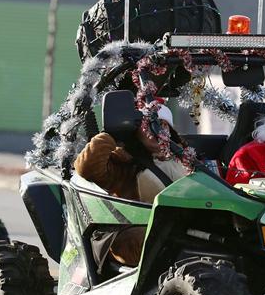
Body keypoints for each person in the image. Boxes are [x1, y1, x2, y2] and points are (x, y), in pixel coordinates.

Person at [73, 100, 186, 267]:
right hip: (136, 233)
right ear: (135, 130)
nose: (156, 130)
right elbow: (87, 168)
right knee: (161, 242)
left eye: (162, 124)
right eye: (147, 125)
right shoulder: (123, 162)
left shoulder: (188, 159)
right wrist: (110, 135)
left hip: (185, 229)